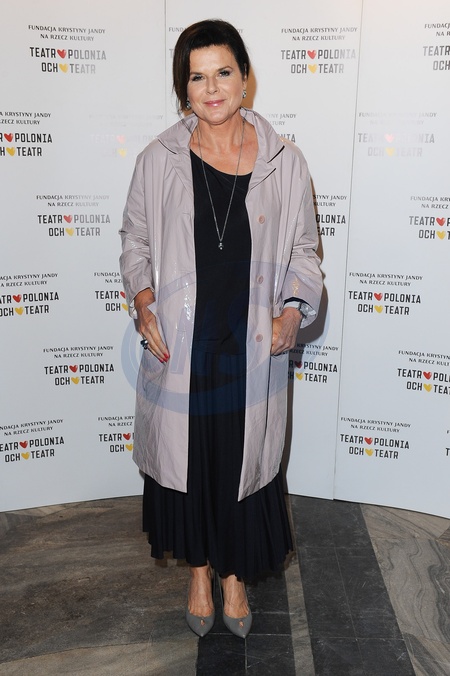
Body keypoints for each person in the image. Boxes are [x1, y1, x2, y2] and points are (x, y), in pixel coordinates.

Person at [120, 19, 322, 639]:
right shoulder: (158, 159)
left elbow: (306, 253)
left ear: (245, 78)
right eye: (197, 77)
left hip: (252, 346)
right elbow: (135, 242)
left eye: (223, 73)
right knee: (194, 466)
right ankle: (200, 575)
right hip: (182, 345)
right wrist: (144, 303)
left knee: (243, 465)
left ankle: (236, 579)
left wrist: (293, 311)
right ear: (183, 88)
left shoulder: (286, 161)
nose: (211, 89)